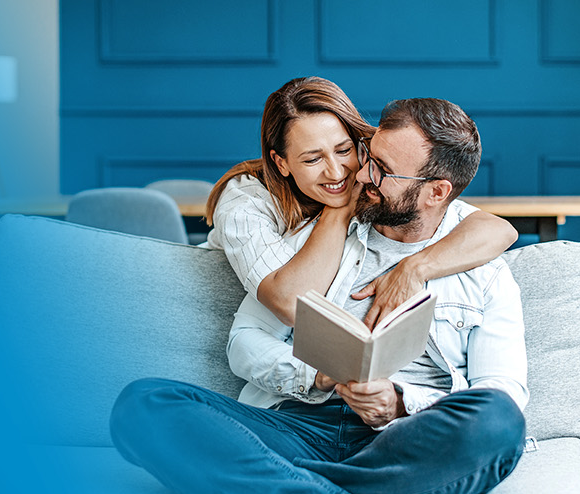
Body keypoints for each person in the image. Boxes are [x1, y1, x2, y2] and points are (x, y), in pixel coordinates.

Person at [113, 98, 528, 494]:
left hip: (403, 440)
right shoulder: (320, 235)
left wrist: (399, 403)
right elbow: (245, 343)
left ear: (436, 192)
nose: (360, 175)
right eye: (368, 156)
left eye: (382, 170)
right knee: (144, 404)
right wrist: (320, 375)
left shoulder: (485, 274)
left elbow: (504, 390)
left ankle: (261, 491)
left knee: (500, 422)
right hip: (299, 426)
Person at [203, 77, 517, 329]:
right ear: (281, 162)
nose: (337, 172)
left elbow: (498, 230)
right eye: (312, 159)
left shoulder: (373, 168)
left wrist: (413, 268)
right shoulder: (246, 200)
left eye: (343, 150)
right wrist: (339, 210)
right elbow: (291, 306)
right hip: (227, 326)